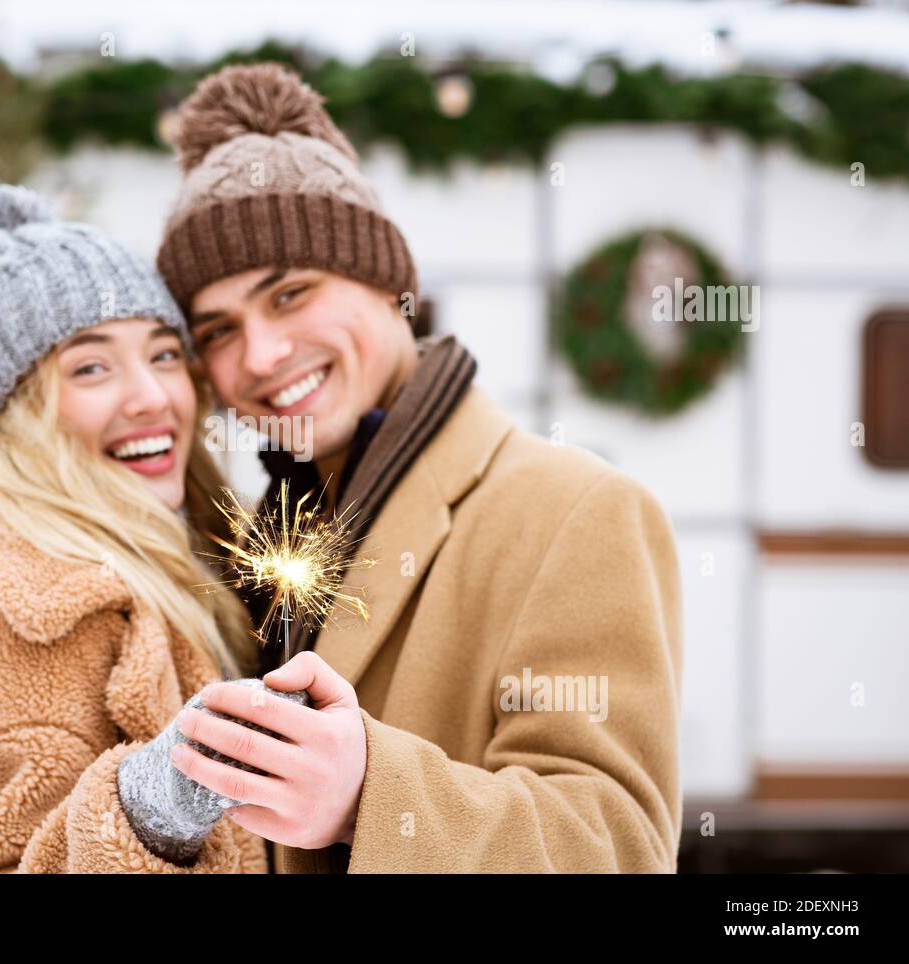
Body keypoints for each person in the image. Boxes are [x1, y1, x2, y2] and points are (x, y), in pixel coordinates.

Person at [152, 62, 685, 873]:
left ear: (386, 282)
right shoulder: (262, 536)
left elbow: (616, 845)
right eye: (218, 330)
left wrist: (374, 798)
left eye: (290, 293)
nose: (260, 354)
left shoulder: (578, 508)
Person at [0, 184, 272, 873]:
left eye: (163, 354)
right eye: (91, 367)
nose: (152, 396)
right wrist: (152, 814)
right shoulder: (30, 620)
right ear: (18, 417)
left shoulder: (181, 564)